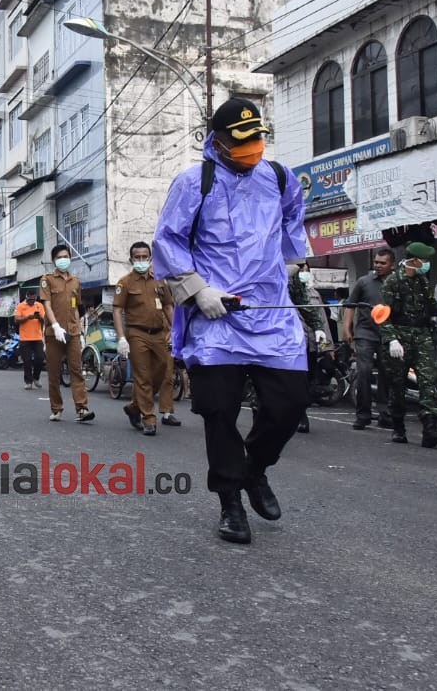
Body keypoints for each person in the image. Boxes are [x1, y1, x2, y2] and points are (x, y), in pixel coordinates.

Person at [152, 96, 309, 545]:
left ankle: (255, 470)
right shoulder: (193, 182)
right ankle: (230, 504)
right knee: (218, 411)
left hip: (270, 313)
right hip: (217, 315)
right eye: (240, 142)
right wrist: (199, 290)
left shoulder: (280, 178)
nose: (251, 148)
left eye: (257, 139)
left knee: (288, 405)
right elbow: (168, 241)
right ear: (217, 142)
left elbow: (294, 225)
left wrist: (290, 264)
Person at [378, 242, 437, 447]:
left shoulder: (421, 281)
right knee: (398, 384)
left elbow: (432, 307)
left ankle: (430, 431)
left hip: (422, 336)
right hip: (400, 338)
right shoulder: (393, 282)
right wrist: (392, 339)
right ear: (414, 260)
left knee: (428, 383)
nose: (427, 264)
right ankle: (398, 428)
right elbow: (382, 315)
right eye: (425, 260)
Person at [113, 241, 178, 436]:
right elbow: (117, 310)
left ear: (150, 258)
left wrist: (176, 331)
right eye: (137, 257)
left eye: (144, 257)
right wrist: (121, 337)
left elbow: (168, 306)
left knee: (162, 373)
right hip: (136, 334)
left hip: (159, 334)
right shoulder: (124, 283)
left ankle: (134, 407)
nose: (141, 260)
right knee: (143, 377)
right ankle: (148, 418)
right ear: (131, 259)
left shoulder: (160, 281)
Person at [40, 244, 94, 423]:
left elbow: (76, 306)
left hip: (73, 331)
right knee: (54, 372)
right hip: (54, 333)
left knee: (76, 370)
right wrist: (55, 325)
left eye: (66, 256)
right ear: (54, 260)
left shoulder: (75, 281)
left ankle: (82, 408)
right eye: (60, 257)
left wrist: (80, 327)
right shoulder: (46, 280)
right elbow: (46, 304)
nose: (64, 259)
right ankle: (56, 408)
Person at [345, 248, 396, 430]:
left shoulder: (397, 283)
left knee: (386, 373)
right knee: (364, 372)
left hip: (389, 336)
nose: (378, 266)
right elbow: (350, 306)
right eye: (376, 262)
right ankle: (363, 415)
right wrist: (347, 329)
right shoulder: (364, 282)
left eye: (383, 263)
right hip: (365, 334)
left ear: (392, 265)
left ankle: (384, 413)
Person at [288, 262, 327, 435]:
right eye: (299, 267)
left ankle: (300, 413)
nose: (302, 271)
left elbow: (313, 311)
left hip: (303, 340)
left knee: (304, 380)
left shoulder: (303, 287)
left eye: (304, 268)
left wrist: (318, 329)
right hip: (272, 336)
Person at [14, 289, 46, 390]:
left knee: (40, 358)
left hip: (37, 337)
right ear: (26, 297)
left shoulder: (39, 306)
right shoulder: (20, 306)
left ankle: (36, 378)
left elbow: (44, 320)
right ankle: (28, 382)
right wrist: (28, 317)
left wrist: (39, 317)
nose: (32, 301)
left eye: (33, 299)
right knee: (27, 361)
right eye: (30, 299)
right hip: (25, 338)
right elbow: (16, 319)